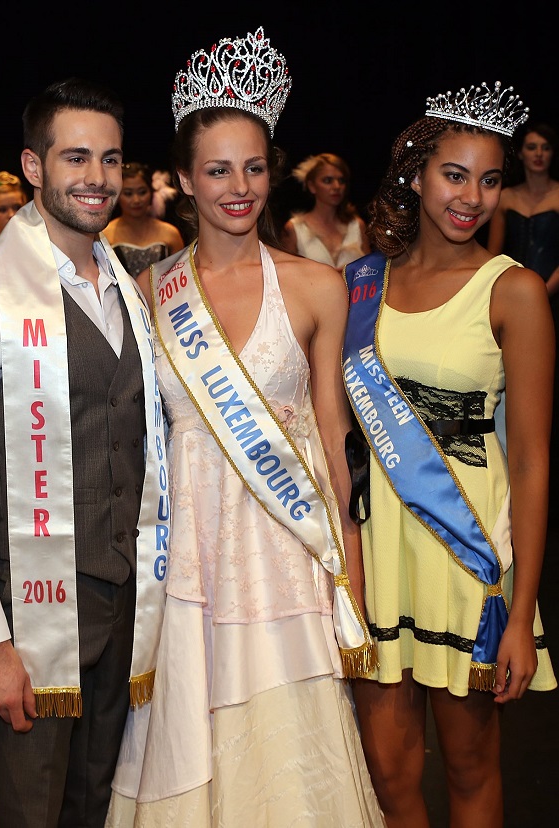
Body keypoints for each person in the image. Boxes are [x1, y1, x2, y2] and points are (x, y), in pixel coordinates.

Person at [106, 27, 383, 827]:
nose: (238, 186)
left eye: (253, 167)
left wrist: (349, 580)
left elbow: (337, 440)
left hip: (284, 555)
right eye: (218, 169)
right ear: (184, 180)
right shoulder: (147, 294)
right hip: (185, 558)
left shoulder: (317, 286)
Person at [0, 78, 169, 828]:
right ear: (33, 166)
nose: (95, 178)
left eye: (110, 159)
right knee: (26, 810)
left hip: (126, 599)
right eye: (74, 157)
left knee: (94, 805)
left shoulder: (124, 283)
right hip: (30, 613)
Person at [343, 82, 557, 828]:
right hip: (377, 554)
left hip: (464, 559)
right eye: (453, 174)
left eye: (488, 178)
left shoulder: (514, 291)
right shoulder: (361, 284)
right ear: (414, 173)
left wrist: (522, 609)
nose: (470, 196)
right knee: (389, 774)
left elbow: (530, 463)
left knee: (469, 769)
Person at [487, 121, 559, 295]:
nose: (539, 154)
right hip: (510, 290)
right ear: (520, 153)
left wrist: (545, 291)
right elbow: (493, 253)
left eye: (546, 148)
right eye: (532, 147)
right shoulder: (505, 196)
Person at [280, 152, 370, 267]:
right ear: (312, 186)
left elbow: (370, 275)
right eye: (328, 180)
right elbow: (286, 275)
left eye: (341, 181)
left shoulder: (357, 226)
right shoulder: (295, 229)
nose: (337, 186)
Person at [103, 162, 184, 277]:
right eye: (128, 193)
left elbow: (181, 278)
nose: (136, 200)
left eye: (142, 192)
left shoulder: (170, 233)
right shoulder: (105, 235)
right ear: (117, 195)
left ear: (151, 193)